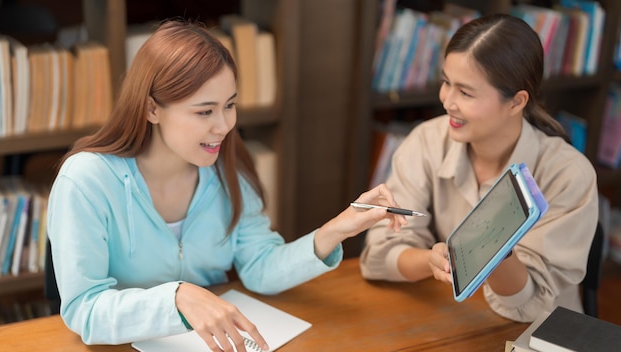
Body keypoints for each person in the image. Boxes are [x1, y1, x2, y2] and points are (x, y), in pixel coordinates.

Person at [47, 19, 407, 350]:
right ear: (151, 109)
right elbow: (85, 309)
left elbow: (261, 267)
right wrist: (177, 297)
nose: (224, 126)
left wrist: (336, 229)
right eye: (204, 111)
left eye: (229, 105)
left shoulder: (226, 166)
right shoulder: (87, 180)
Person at [360, 13, 598, 323]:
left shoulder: (569, 175)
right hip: (457, 320)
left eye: (466, 93)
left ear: (516, 102)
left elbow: (532, 305)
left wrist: (497, 252)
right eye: (447, 82)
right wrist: (430, 261)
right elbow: (378, 254)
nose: (447, 102)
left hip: (539, 333)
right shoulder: (427, 141)